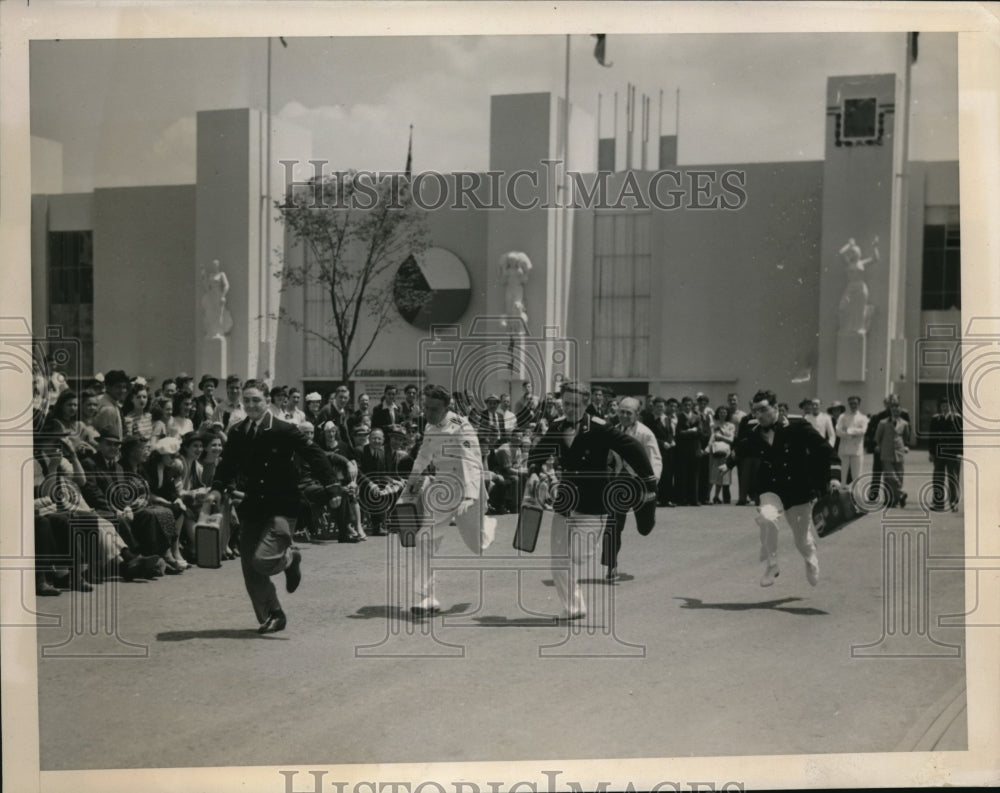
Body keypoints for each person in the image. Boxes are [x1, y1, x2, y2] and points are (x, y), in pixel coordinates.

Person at [207, 380, 339, 634]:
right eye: (246, 400)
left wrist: (332, 486)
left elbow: (314, 455)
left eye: (256, 400)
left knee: (263, 561)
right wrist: (217, 487)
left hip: (283, 505)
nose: (251, 405)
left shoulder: (284, 430)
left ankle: (290, 559)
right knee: (249, 567)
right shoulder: (237, 432)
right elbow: (227, 464)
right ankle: (274, 614)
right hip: (253, 505)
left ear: (267, 401)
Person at [526, 382, 657, 619]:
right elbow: (539, 452)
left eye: (575, 404)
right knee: (558, 560)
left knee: (578, 556)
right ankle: (574, 607)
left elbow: (633, 448)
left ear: (586, 404)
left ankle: (593, 544)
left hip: (593, 504)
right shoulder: (556, 427)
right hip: (566, 502)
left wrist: (649, 482)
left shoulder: (600, 428)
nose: (569, 409)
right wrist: (534, 470)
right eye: (565, 403)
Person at [722, 389, 840, 588]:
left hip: (798, 489)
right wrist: (728, 464)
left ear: (776, 408)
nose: (758, 415)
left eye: (763, 410)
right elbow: (742, 447)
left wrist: (834, 478)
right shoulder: (753, 429)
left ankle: (811, 558)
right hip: (771, 488)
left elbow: (826, 450)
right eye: (755, 411)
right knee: (767, 518)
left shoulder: (797, 425)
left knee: (801, 540)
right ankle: (772, 564)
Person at [398, 384, 494, 615]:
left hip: (467, 486)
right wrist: (412, 481)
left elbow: (472, 462)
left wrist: (470, 497)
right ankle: (426, 597)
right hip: (442, 487)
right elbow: (423, 456)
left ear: (447, 407)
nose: (428, 413)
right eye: (426, 408)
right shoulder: (430, 427)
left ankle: (487, 525)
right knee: (425, 538)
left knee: (477, 543)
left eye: (434, 409)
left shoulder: (462, 427)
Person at [600, 396, 662, 582]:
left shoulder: (645, 434)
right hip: (620, 482)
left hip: (641, 483)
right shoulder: (613, 431)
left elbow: (656, 460)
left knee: (644, 528)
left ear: (637, 415)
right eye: (622, 411)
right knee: (613, 524)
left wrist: (652, 486)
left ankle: (648, 517)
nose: (624, 415)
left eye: (629, 412)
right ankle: (611, 565)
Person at [928, 396, 962, 512]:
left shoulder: (957, 419)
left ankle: (953, 503)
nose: (945, 407)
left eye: (947, 405)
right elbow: (932, 438)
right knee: (938, 478)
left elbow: (961, 437)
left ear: (951, 407)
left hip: (953, 454)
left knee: (953, 478)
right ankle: (938, 503)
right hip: (939, 454)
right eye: (943, 405)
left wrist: (960, 452)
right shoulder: (936, 419)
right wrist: (931, 452)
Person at [875, 401, 910, 508]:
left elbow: (906, 437)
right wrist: (881, 447)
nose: (895, 410)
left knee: (899, 477)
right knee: (891, 476)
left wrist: (904, 446)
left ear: (900, 410)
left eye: (897, 408)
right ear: (890, 410)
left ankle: (895, 500)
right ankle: (901, 493)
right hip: (886, 453)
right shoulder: (883, 423)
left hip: (899, 453)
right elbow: (877, 437)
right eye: (893, 408)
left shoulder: (904, 423)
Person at [835, 395, 868, 484]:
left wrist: (848, 430)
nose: (853, 405)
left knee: (856, 477)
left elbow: (863, 431)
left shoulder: (863, 418)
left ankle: (856, 496)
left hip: (857, 450)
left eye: (855, 403)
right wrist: (853, 434)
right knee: (842, 476)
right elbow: (838, 431)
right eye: (851, 403)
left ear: (859, 404)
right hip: (844, 450)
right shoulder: (842, 417)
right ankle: (841, 495)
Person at [708, 405, 736, 504]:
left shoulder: (731, 425)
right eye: (720, 412)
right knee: (712, 473)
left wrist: (721, 436)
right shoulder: (713, 424)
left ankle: (716, 496)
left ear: (727, 414)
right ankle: (707, 496)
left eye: (724, 412)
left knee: (721, 474)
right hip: (715, 450)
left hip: (725, 451)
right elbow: (712, 437)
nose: (722, 414)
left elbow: (731, 440)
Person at [201, 258, 233, 338]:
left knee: (219, 313)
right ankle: (212, 331)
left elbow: (227, 285)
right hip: (212, 295)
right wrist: (203, 275)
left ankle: (219, 331)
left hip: (219, 294)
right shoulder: (211, 275)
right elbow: (207, 287)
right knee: (211, 312)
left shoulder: (222, 274)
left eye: (216, 265)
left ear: (218, 266)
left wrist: (223, 295)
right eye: (213, 265)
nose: (214, 266)